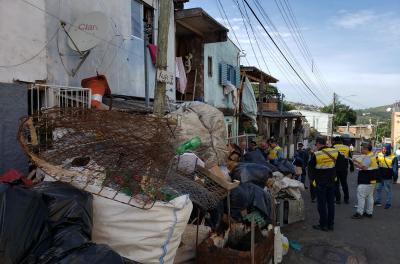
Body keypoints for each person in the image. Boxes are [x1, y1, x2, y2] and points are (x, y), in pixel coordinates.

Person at [308, 137, 343, 231]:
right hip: (332, 181)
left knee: (322, 204)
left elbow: (310, 167)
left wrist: (312, 180)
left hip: (320, 182)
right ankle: (330, 224)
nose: (316, 146)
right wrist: (334, 171)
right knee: (331, 203)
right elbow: (342, 160)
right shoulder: (334, 152)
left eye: (316, 144)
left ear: (319, 144)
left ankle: (323, 224)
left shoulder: (316, 154)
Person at [352, 143, 379, 219]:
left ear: (367, 149)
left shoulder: (368, 157)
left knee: (361, 196)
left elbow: (364, 167)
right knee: (370, 196)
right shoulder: (372, 155)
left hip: (366, 179)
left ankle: (359, 213)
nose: (361, 149)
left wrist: (355, 163)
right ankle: (369, 212)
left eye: (363, 148)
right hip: (372, 179)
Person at [375, 144, 398, 209]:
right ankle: (378, 201)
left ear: (388, 149)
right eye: (383, 148)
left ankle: (388, 203)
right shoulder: (379, 154)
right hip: (380, 176)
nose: (383, 150)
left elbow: (395, 170)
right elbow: (376, 162)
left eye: (385, 149)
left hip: (387, 177)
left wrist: (395, 179)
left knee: (388, 190)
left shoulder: (394, 157)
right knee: (378, 189)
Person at [333, 137, 355, 204]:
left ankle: (338, 199)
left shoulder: (333, 147)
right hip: (344, 168)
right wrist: (352, 166)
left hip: (335, 169)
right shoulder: (346, 147)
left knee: (336, 184)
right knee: (344, 183)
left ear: (334, 141)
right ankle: (346, 199)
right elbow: (350, 158)